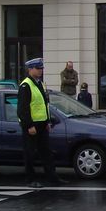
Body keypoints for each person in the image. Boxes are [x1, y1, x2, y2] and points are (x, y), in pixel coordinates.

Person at [18, 58, 64, 187]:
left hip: (42, 124)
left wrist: (48, 121)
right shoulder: (26, 85)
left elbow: (45, 104)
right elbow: (22, 109)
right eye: (38, 68)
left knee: (46, 153)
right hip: (32, 125)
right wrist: (29, 125)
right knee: (30, 153)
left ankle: (52, 177)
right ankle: (30, 179)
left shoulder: (40, 84)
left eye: (41, 68)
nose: (40, 71)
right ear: (30, 69)